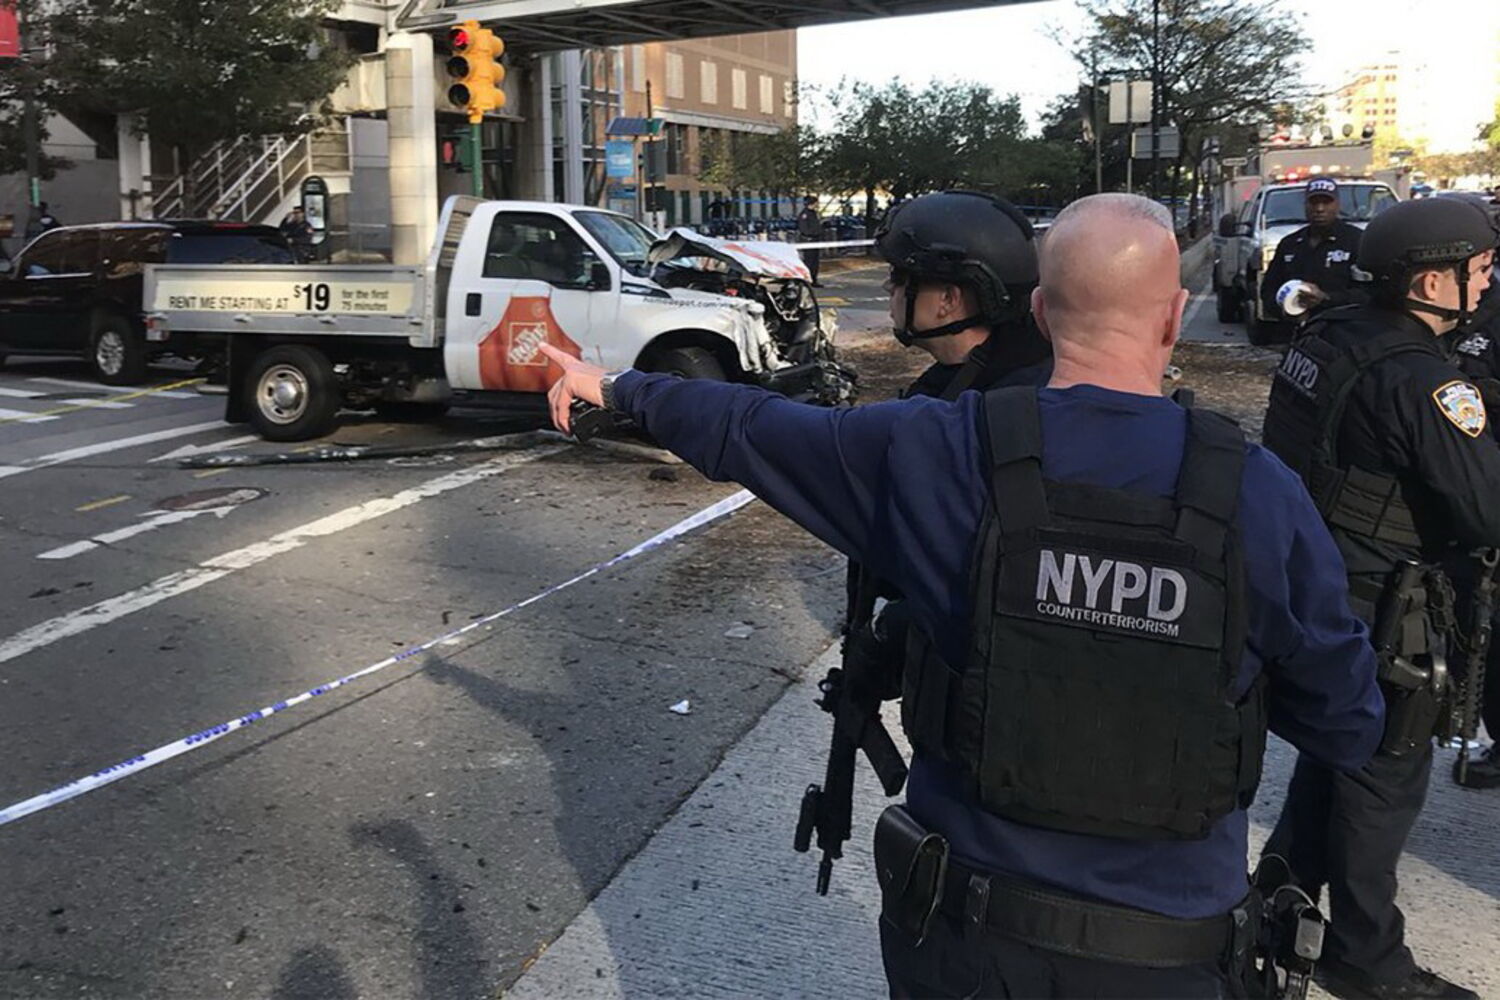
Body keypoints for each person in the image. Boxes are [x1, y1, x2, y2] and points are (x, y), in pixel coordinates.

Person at [540, 193, 1384, 998]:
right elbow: (1346, 724)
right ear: (1174, 315)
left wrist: (618, 387)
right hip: (1171, 952)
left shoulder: (936, 451)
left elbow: (749, 429)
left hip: (963, 939)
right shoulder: (1262, 495)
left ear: (1043, 313)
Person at [1260, 195, 1500, 999]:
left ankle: (1276, 901)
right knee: (1384, 782)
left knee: (1335, 755)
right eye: (1480, 268)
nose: (1488, 280)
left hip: (1319, 586)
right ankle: (1366, 959)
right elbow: (1486, 511)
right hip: (1388, 609)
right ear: (1432, 282)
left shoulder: (1331, 333)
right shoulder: (1421, 380)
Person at [874, 190, 1051, 401]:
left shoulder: (993, 408)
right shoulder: (1016, 367)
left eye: (899, 277)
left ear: (948, 299)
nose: (888, 287)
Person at [1260, 178, 1364, 331]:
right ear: (1305, 205)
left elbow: (1368, 294)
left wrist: (1325, 298)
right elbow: (1268, 290)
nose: (1319, 209)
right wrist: (1285, 311)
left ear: (1337, 204)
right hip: (1299, 332)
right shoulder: (1289, 244)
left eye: (1326, 202)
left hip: (1344, 331)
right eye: (1314, 202)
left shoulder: (1356, 240)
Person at [797, 194, 824, 286]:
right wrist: (813, 233)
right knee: (809, 261)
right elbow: (804, 229)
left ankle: (814, 280)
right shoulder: (805, 214)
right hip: (808, 240)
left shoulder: (814, 213)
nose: (817, 204)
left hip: (815, 240)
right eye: (816, 203)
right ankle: (806, 280)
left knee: (815, 262)